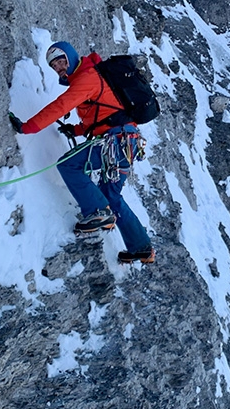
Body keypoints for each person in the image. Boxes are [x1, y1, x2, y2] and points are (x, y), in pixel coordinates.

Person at [9, 41, 155, 264]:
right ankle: (141, 248)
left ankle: (97, 211)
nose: (59, 68)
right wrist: (76, 129)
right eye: (54, 66)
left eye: (61, 61)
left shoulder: (87, 77)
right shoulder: (93, 78)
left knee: (69, 164)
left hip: (115, 143)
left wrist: (28, 127)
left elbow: (61, 105)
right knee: (112, 197)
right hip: (126, 143)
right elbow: (107, 113)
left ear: (71, 57)